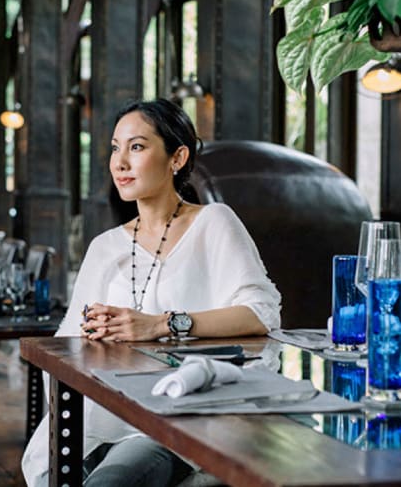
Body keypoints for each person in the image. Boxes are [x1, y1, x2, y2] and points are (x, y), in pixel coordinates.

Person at [22, 98, 281, 487]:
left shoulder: (213, 222)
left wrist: (161, 324)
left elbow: (261, 312)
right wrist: (93, 335)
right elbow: (69, 339)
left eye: (137, 147)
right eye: (115, 148)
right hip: (101, 414)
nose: (120, 162)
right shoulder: (105, 246)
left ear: (178, 157)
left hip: (175, 417)